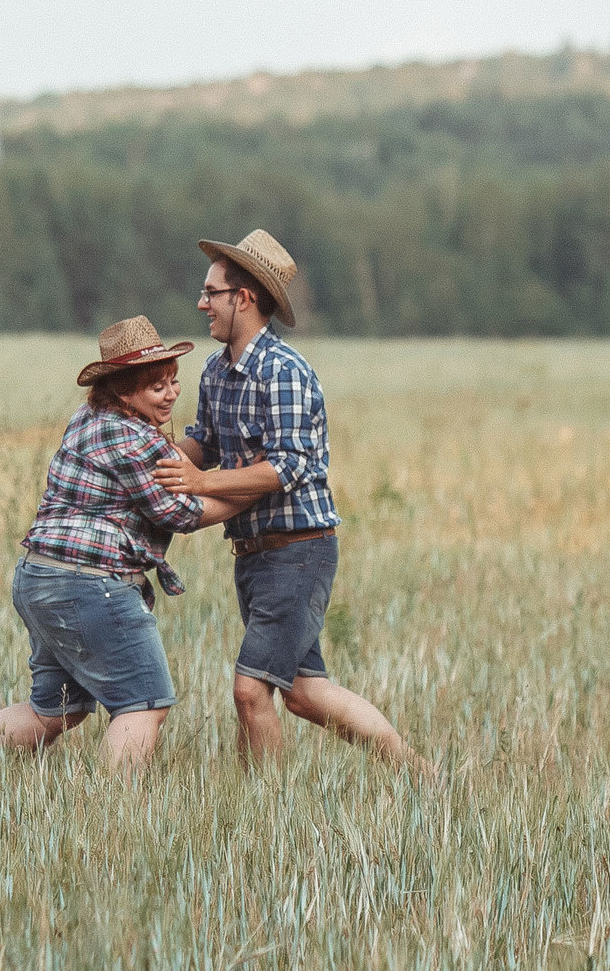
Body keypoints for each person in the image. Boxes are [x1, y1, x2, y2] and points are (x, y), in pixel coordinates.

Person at [0, 316, 251, 787]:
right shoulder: (133, 438)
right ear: (122, 392)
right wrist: (254, 490)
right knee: (145, 703)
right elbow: (178, 514)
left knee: (53, 710)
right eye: (156, 386)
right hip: (88, 585)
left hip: (38, 577)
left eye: (174, 381)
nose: (171, 393)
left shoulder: (90, 419)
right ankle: (108, 813)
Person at [153, 229, 429, 775]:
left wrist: (200, 483)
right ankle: (418, 773)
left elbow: (290, 466)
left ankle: (270, 815)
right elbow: (202, 443)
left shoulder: (283, 371)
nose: (202, 303)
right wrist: (151, 461)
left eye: (212, 292)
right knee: (305, 692)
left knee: (250, 690)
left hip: (298, 552)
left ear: (245, 298)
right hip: (255, 556)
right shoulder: (214, 372)